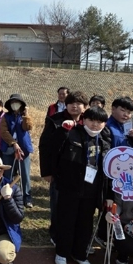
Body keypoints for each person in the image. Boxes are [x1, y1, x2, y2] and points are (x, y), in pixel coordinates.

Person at [53, 106, 110, 264]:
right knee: (67, 221)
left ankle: (79, 254)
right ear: (83, 120)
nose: (94, 125)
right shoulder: (70, 133)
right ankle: (62, 253)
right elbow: (54, 151)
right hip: (70, 187)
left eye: (99, 122)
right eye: (91, 120)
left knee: (85, 224)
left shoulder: (105, 141)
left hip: (91, 191)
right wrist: (62, 131)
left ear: (104, 124)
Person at [39, 91, 88, 243]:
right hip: (59, 172)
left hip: (81, 173)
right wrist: (47, 172)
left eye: (78, 103)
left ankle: (74, 237)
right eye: (71, 103)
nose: (74, 106)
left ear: (85, 107)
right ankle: (56, 235)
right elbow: (45, 146)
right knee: (58, 205)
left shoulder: (89, 122)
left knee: (78, 207)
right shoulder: (55, 120)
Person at [0, 94, 34, 208]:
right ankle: (8, 195)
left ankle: (27, 197)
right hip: (8, 148)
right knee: (8, 174)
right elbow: (3, 132)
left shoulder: (24, 116)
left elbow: (28, 127)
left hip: (24, 149)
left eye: (17, 102)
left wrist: (26, 115)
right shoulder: (6, 117)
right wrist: (13, 143)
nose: (15, 104)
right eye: (12, 102)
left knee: (25, 174)